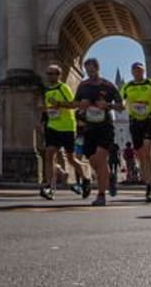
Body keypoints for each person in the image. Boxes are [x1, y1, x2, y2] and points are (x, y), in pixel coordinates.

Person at [73, 58, 125, 205]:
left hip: (105, 127)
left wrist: (107, 105)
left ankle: (101, 195)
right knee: (94, 162)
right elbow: (75, 104)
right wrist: (80, 106)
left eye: (92, 70)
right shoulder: (82, 86)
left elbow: (122, 106)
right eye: (87, 71)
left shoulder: (109, 85)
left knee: (101, 160)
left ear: (97, 68)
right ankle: (110, 178)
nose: (90, 73)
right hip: (89, 129)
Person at [121, 62, 151, 202]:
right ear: (132, 72)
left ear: (144, 71)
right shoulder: (127, 86)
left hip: (149, 120)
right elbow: (121, 103)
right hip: (134, 121)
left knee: (148, 152)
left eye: (141, 71)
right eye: (136, 71)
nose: (139, 73)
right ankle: (150, 181)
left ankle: (149, 185)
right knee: (142, 155)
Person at [40, 65, 89, 199]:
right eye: (48, 73)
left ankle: (85, 178)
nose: (49, 76)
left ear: (58, 75)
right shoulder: (46, 91)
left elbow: (74, 104)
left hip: (67, 127)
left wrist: (59, 104)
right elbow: (49, 108)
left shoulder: (64, 88)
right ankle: (50, 187)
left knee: (71, 158)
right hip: (52, 126)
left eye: (52, 73)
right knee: (49, 154)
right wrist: (44, 111)